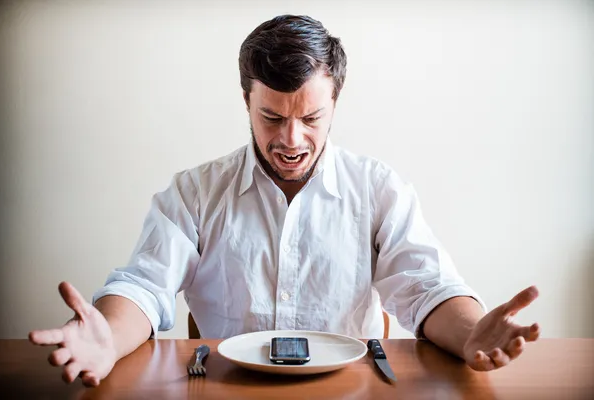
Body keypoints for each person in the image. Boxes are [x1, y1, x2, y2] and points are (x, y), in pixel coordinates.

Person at [28, 15, 540, 387]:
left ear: (335, 101)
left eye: (311, 118)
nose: (291, 140)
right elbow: (144, 285)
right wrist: (108, 337)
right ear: (247, 101)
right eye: (271, 117)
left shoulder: (380, 189)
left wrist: (473, 333)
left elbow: (428, 287)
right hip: (227, 390)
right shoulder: (194, 192)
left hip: (350, 391)